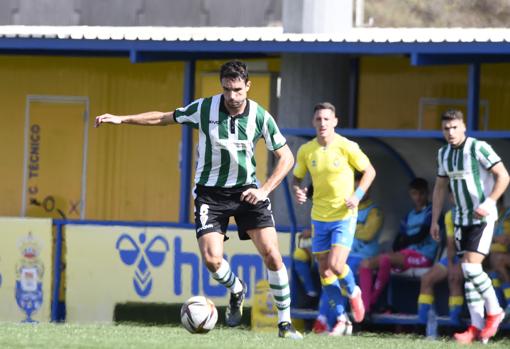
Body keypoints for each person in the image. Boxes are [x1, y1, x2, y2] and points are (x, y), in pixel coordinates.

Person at [95, 60, 303, 339]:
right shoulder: (204, 108)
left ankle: (284, 324)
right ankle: (236, 288)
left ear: (248, 86)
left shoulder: (260, 117)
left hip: (247, 193)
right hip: (210, 194)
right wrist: (122, 118)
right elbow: (163, 118)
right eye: (227, 89)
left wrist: (264, 190)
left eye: (238, 90)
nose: (232, 96)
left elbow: (287, 158)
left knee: (272, 254)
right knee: (212, 260)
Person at [292, 102, 376, 336]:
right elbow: (296, 178)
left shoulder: (347, 146)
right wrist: (298, 190)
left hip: (343, 216)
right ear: (313, 122)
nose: (322, 123)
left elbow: (370, 171)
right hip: (319, 218)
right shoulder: (307, 151)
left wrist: (357, 195)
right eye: (318, 119)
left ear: (335, 121)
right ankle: (341, 319)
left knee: (337, 266)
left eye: (327, 119)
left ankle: (354, 293)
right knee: (325, 273)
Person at [430, 109, 510, 344]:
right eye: (446, 128)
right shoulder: (443, 154)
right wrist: (435, 220)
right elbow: (440, 188)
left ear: (464, 127)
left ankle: (495, 311)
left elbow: (503, 176)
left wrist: (490, 201)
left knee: (472, 269)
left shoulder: (478, 147)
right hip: (461, 220)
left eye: (455, 127)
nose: (450, 132)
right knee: (468, 272)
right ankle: (475, 327)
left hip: (483, 219)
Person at [359, 177, 438, 315]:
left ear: (427, 193)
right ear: (410, 194)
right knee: (366, 263)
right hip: (407, 255)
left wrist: (404, 241)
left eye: (421, 193)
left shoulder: (432, 212)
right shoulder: (408, 216)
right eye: (414, 193)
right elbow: (397, 241)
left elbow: (421, 235)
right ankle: (365, 306)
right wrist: (402, 243)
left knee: (385, 259)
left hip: (423, 257)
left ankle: (369, 304)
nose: (418, 197)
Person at [417, 189, 464, 326]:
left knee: (454, 279)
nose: (456, 197)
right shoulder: (450, 215)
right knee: (427, 278)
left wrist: (458, 265)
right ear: (450, 197)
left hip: (471, 258)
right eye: (453, 194)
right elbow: (450, 243)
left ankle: (455, 325)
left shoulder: (473, 213)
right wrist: (451, 264)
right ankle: (423, 325)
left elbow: (473, 244)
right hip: (455, 257)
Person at [489, 196, 510, 319]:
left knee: (497, 259)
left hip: (504, 256)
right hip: (496, 258)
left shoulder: (507, 215)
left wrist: (491, 240)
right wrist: (494, 239)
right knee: (493, 270)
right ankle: (498, 309)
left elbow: (505, 241)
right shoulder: (487, 217)